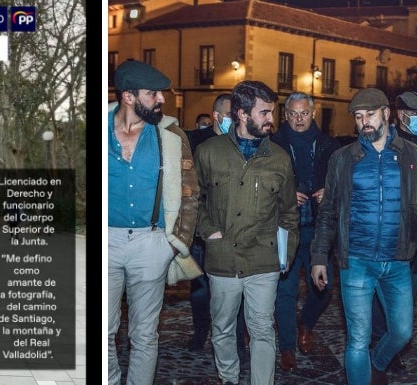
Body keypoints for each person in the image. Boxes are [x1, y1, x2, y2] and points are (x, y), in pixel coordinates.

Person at [194, 80, 299, 385]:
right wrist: (207, 230)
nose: (271, 119)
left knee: (263, 329)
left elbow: (289, 213)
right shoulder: (209, 152)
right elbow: (192, 198)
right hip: (222, 257)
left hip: (263, 259)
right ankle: (228, 378)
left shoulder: (279, 157)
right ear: (241, 114)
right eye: (264, 112)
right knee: (223, 327)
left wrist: (286, 252)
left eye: (272, 112)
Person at [311, 88, 416, 385]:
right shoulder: (343, 158)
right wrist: (319, 257)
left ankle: (377, 363)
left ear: (386, 113)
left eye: (369, 114)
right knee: (357, 338)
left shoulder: (411, 155)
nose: (364, 122)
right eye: (358, 117)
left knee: (402, 332)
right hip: (355, 260)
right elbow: (328, 211)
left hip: (397, 261)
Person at [108, 60, 199, 385]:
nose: (161, 99)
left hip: (151, 243)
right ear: (129, 96)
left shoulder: (171, 135)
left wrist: (176, 242)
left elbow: (191, 192)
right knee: (103, 332)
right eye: (152, 93)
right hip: (107, 242)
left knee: (145, 334)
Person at [271, 92, 340, 372]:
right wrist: (286, 195)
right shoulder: (272, 145)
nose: (299, 119)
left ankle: (306, 323)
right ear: (285, 115)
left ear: (312, 113)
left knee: (324, 289)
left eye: (304, 113)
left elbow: (343, 185)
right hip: (286, 229)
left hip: (318, 230)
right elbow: (261, 189)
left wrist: (330, 191)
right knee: (284, 291)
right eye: (293, 114)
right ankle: (288, 346)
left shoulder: (330, 146)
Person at [185, 94, 248, 363]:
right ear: (216, 117)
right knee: (200, 288)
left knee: (237, 288)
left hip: (232, 227)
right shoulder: (194, 142)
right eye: (229, 116)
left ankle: (238, 341)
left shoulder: (241, 143)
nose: (233, 121)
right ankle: (201, 330)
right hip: (201, 228)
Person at [370, 90, 417, 375]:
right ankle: (383, 352)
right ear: (399, 115)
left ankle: (394, 345)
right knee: (387, 296)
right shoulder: (388, 143)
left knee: (408, 297)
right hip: (393, 235)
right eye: (413, 116)